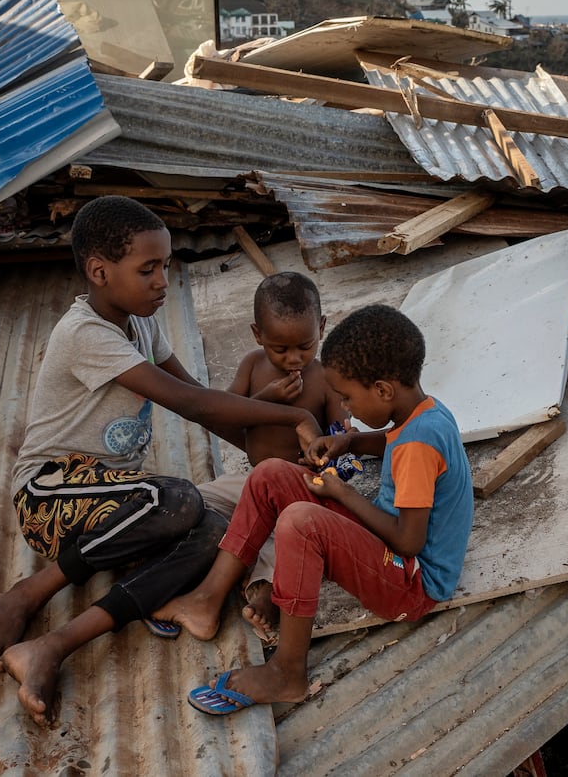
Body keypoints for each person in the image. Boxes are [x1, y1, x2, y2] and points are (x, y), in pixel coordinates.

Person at [0, 195, 318, 727]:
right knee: (178, 499)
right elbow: (190, 402)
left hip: (119, 502)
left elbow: (202, 404)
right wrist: (288, 416)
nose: (163, 280)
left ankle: (54, 645)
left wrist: (278, 462)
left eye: (166, 266)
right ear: (99, 271)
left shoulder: (141, 323)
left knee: (219, 528)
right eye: (149, 268)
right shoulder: (85, 333)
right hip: (49, 495)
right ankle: (27, 593)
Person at [155, 304, 474, 715]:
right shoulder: (426, 412)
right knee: (271, 474)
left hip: (414, 583)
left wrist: (342, 494)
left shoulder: (417, 445)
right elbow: (394, 441)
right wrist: (351, 442)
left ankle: (287, 670)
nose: (346, 408)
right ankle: (207, 599)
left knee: (300, 522)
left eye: (347, 398)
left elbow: (409, 541)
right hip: (391, 549)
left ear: (382, 390)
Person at [197, 271, 352, 642]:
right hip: (252, 486)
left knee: (283, 539)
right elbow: (226, 413)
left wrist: (329, 455)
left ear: (322, 327)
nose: (294, 358)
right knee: (197, 499)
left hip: (301, 490)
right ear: (257, 335)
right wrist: (265, 399)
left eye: (305, 345)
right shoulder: (252, 366)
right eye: (280, 349)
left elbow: (343, 437)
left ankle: (265, 592)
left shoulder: (325, 379)